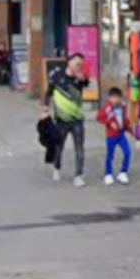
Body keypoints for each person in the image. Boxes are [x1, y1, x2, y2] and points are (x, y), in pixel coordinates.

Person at [43, 53, 89, 187]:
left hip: (77, 119)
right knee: (59, 147)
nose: (79, 67)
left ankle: (79, 175)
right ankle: (57, 168)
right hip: (61, 120)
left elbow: (86, 82)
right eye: (77, 63)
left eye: (81, 64)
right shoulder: (57, 76)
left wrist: (83, 78)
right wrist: (45, 108)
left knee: (79, 148)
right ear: (69, 62)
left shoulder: (80, 78)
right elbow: (49, 93)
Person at [97, 87, 132, 186]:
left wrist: (130, 130)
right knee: (110, 155)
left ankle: (123, 172)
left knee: (127, 152)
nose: (115, 100)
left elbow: (125, 120)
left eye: (117, 98)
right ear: (109, 98)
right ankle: (108, 174)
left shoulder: (122, 107)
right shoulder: (106, 108)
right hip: (111, 135)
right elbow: (99, 117)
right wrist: (109, 123)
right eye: (113, 98)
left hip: (121, 134)